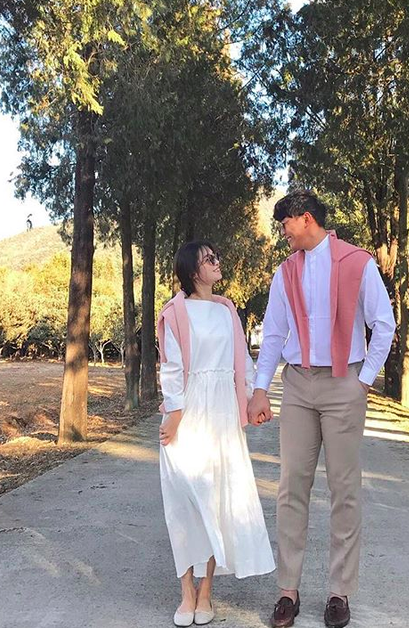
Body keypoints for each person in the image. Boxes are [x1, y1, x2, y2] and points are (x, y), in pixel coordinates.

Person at [248, 192, 395, 628]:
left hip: (343, 380)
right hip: (297, 384)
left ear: (306, 219)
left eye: (286, 224)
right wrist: (260, 389)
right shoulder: (285, 272)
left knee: (344, 489)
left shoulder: (357, 263)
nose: (284, 232)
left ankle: (338, 592)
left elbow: (383, 324)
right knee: (291, 485)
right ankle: (287, 591)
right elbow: (274, 334)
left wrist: (363, 380)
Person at [157, 241, 275, 627]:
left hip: (222, 413)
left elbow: (242, 362)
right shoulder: (174, 312)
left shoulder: (227, 311)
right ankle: (185, 591)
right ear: (193, 271)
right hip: (188, 411)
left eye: (215, 257)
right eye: (209, 259)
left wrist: (253, 398)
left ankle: (205, 591)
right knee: (183, 501)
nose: (217, 262)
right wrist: (174, 412)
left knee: (215, 498)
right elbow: (171, 367)